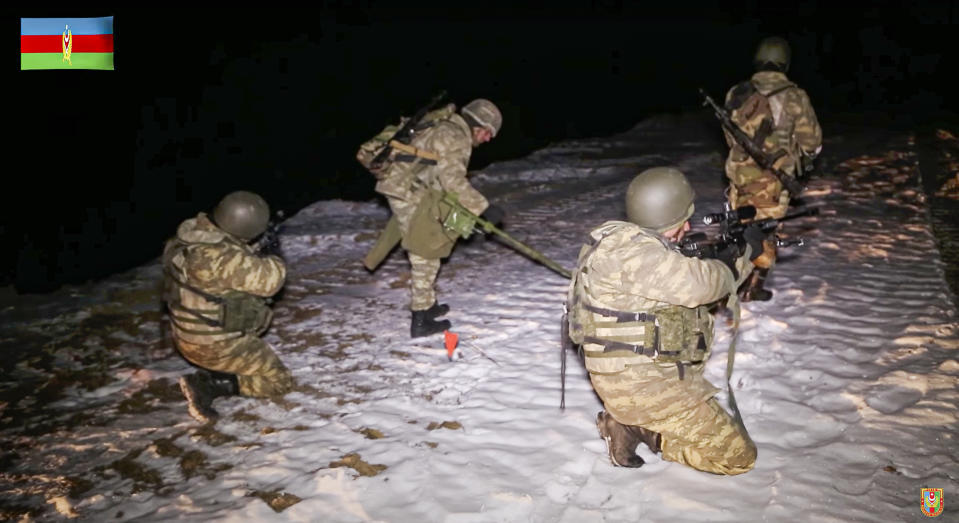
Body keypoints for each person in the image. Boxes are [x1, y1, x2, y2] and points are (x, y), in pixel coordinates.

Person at [565, 167, 763, 475]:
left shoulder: (617, 240)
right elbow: (707, 284)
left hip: (622, 377)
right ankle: (639, 429)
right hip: (644, 388)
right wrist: (744, 255)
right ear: (681, 219)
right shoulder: (642, 257)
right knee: (738, 458)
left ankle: (628, 418)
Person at [363, 98, 505, 338]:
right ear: (479, 127)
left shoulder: (447, 126)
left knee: (431, 238)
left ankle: (427, 305)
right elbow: (453, 181)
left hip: (406, 185)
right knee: (425, 250)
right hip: (407, 189)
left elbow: (440, 175)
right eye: (489, 133)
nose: (488, 139)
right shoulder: (456, 137)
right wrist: (483, 208)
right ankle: (420, 319)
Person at [163, 191, 293, 423]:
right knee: (279, 382)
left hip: (185, 336)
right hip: (215, 345)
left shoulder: (190, 237)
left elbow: (223, 266)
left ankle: (220, 370)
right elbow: (273, 279)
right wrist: (272, 249)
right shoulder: (223, 258)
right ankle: (210, 384)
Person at [722, 36, 822, 301]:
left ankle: (731, 282)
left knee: (739, 228)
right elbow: (812, 141)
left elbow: (730, 138)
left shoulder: (737, 92)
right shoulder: (794, 96)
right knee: (765, 230)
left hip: (740, 175)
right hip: (774, 179)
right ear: (784, 63)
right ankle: (751, 288)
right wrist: (800, 159)